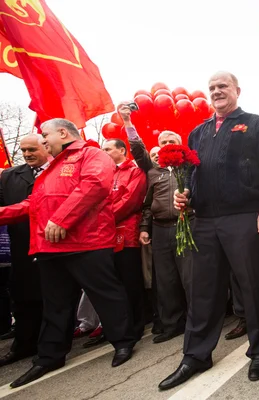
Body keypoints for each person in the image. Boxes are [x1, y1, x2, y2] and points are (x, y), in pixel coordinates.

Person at [162, 71, 259, 390]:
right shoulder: (197, 133)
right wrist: (184, 195)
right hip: (205, 220)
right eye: (212, 88)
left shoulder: (254, 123)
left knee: (252, 285)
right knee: (202, 289)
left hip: (244, 215)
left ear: (237, 90)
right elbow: (192, 175)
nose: (216, 91)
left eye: (222, 86)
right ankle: (196, 355)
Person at [0, 119, 137, 388]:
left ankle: (123, 342)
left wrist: (62, 219)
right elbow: (33, 204)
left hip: (88, 242)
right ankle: (50, 356)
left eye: (45, 135)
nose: (43, 141)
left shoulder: (91, 154)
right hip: (50, 248)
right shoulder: (51, 166)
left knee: (106, 295)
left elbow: (95, 185)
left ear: (62, 133)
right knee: (56, 304)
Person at [118, 105, 190, 344]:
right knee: (166, 279)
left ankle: (198, 320)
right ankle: (172, 324)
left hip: (187, 226)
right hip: (160, 230)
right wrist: (128, 121)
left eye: (172, 140)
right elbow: (138, 150)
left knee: (189, 276)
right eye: (162, 141)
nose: (167, 143)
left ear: (180, 143)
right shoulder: (152, 170)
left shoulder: (189, 167)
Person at [0, 135, 49, 367]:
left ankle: (49, 344)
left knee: (50, 296)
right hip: (21, 244)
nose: (27, 154)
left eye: (32, 149)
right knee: (22, 296)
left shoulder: (57, 172)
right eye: (24, 150)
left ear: (45, 148)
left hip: (52, 242)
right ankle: (23, 344)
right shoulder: (10, 176)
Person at [102, 139, 148, 341]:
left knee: (130, 281)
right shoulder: (102, 173)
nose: (104, 153)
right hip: (104, 236)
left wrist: (100, 219)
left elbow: (130, 201)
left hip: (126, 233)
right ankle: (120, 325)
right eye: (102, 149)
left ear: (122, 150)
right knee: (113, 283)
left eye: (108, 149)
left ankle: (137, 324)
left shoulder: (134, 172)